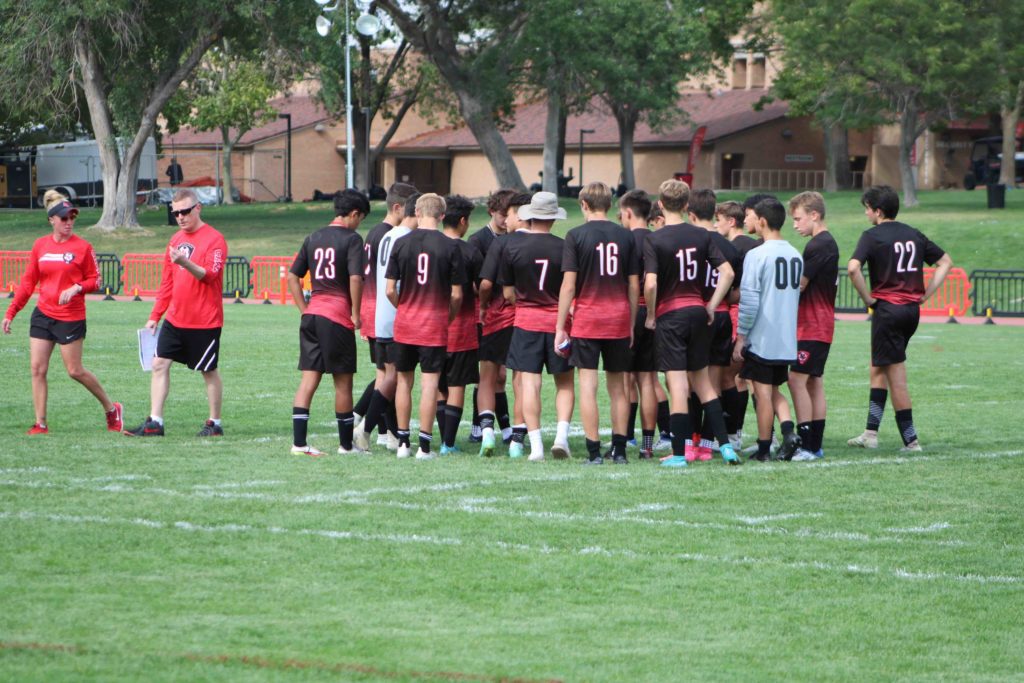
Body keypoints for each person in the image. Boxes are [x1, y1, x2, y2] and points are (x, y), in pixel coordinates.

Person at [3, 191, 123, 435]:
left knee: (74, 371)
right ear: (52, 220)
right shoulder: (40, 246)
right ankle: (41, 423)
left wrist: (77, 287)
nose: (68, 222)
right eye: (64, 218)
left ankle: (111, 408)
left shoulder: (83, 247)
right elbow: (28, 283)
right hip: (43, 314)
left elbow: (96, 280)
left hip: (71, 316)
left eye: (71, 218)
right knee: (37, 369)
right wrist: (11, 312)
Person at [846, 185, 952, 452]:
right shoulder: (913, 234)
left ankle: (911, 440)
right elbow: (945, 262)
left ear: (878, 211)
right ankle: (870, 433)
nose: (866, 214)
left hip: (888, 310)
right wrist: (925, 294)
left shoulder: (872, 236)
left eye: (867, 209)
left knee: (896, 374)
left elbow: (852, 268)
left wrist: (868, 299)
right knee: (878, 368)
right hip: (910, 311)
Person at [642, 180, 738, 468]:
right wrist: (710, 305)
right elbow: (728, 273)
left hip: (672, 315)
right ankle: (726, 448)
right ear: (686, 206)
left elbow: (651, 282)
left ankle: (680, 454)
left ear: (660, 204)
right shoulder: (701, 235)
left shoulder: (654, 239)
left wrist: (650, 314)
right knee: (704, 384)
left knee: (678, 385)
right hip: (698, 313)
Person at [125, 188, 227, 437]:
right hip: (175, 318)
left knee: (208, 370)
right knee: (159, 364)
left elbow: (210, 275)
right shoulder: (175, 241)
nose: (180, 217)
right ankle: (155, 422)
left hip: (204, 320)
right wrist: (154, 315)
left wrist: (185, 262)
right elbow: (167, 282)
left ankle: (215, 424)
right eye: (175, 213)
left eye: (185, 211)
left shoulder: (215, 239)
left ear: (198, 208)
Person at [555, 182, 639, 465]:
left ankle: (594, 452)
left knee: (588, 386)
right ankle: (619, 450)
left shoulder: (575, 235)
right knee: (619, 388)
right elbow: (633, 284)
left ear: (584, 205)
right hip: (618, 318)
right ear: (610, 204)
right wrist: (630, 322)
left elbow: (568, 286)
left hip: (588, 320)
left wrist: (559, 326)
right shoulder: (626, 236)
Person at [286, 189, 369, 457]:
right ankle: (346, 446)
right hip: (336, 317)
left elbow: (292, 277)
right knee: (342, 384)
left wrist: (304, 310)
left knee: (308, 380)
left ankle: (299, 444)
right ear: (354, 214)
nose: (359, 224)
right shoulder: (353, 239)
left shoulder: (314, 237)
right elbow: (356, 279)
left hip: (313, 314)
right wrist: (356, 313)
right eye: (361, 219)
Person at [385, 193, 465, 460]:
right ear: (442, 216)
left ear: (417, 212)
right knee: (430, 384)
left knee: (403, 382)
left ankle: (403, 444)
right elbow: (456, 295)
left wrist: (405, 307)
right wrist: (449, 316)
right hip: (433, 325)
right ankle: (425, 447)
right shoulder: (451, 246)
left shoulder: (401, 243)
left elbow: (389, 290)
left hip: (406, 324)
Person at [500, 191, 574, 462]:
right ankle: (562, 438)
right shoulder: (565, 246)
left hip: (526, 321)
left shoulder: (512, 247)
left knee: (530, 385)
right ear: (553, 218)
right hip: (558, 323)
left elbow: (508, 292)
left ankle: (536, 447)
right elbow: (570, 287)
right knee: (564, 384)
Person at [731, 197, 802, 462]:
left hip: (763, 335)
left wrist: (741, 337)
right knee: (772, 390)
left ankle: (763, 449)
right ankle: (788, 431)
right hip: (784, 336)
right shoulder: (795, 253)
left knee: (761, 394)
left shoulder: (757, 254)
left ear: (762, 221)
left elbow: (749, 301)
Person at [353, 182, 417, 449]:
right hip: (384, 310)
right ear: (399, 207)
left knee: (385, 375)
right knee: (390, 376)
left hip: (377, 310)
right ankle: (364, 425)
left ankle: (385, 432)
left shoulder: (378, 233)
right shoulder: (392, 235)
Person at [687, 188, 742, 461]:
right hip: (721, 315)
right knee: (714, 383)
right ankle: (708, 445)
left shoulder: (690, 242)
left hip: (698, 314)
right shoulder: (731, 247)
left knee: (689, 383)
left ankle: (692, 442)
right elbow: (735, 292)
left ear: (691, 213)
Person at [476, 192, 531, 456]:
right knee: (520, 380)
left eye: (508, 214)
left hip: (498, 316)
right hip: (529, 319)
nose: (505, 219)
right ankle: (517, 441)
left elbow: (486, 283)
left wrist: (484, 306)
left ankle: (487, 432)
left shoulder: (501, 243)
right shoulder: (550, 243)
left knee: (486, 377)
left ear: (519, 215)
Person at [787, 192, 839, 462]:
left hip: (812, 324)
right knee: (813, 382)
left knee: (797, 380)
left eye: (798, 219)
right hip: (820, 323)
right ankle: (814, 445)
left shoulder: (819, 245)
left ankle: (806, 444)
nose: (795, 225)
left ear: (814, 215)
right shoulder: (825, 243)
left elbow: (801, 285)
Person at [467, 189, 516, 446]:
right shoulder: (479, 241)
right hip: (485, 315)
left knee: (501, 376)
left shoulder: (515, 239)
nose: (505, 219)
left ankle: (506, 429)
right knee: (486, 374)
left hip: (509, 316)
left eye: (510, 213)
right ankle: (479, 426)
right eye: (501, 214)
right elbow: (476, 283)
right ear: (492, 212)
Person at [438, 194, 483, 455]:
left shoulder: (430, 246)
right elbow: (480, 287)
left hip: (432, 329)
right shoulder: (470, 251)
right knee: (457, 387)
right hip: (462, 329)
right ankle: (448, 443)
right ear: (463, 221)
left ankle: (442, 437)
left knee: (437, 384)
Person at [618, 189, 658, 459]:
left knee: (623, 379)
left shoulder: (623, 241)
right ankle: (646, 445)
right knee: (648, 379)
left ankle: (622, 439)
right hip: (656, 314)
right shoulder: (658, 239)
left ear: (629, 213)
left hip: (630, 313)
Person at [714, 200, 757, 449]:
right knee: (746, 378)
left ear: (731, 221)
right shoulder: (756, 245)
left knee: (728, 377)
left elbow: (739, 290)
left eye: (719, 220)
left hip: (736, 316)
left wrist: (721, 298)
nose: (716, 225)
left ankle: (733, 434)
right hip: (755, 317)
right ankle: (742, 433)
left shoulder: (734, 248)